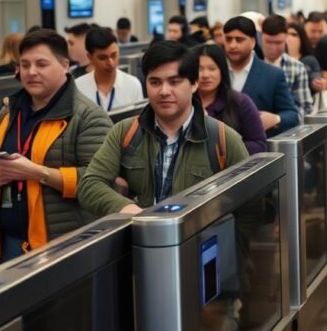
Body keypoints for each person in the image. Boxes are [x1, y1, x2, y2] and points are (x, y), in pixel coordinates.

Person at [0, 29, 112, 263]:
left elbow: (101, 181)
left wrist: (35, 172)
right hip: (6, 240)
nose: (31, 72)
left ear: (64, 65)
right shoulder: (8, 113)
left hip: (61, 244)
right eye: (25, 64)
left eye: (41, 64)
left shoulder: (88, 116)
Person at [78, 41, 249, 216]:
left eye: (174, 82)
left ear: (194, 83)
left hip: (202, 239)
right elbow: (90, 184)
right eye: (155, 82)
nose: (164, 91)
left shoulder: (222, 138)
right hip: (141, 237)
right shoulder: (125, 132)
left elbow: (249, 204)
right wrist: (129, 209)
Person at [222, 16, 298, 135]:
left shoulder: (272, 75)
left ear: (253, 42)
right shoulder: (216, 71)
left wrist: (276, 119)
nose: (233, 45)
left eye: (239, 40)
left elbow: (292, 115)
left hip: (259, 148)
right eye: (228, 39)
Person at [194, 44, 267, 154]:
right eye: (199, 69)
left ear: (222, 71)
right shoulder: (183, 103)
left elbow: (259, 144)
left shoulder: (240, 102)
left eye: (212, 69)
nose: (205, 75)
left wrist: (224, 149)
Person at [73, 27, 145, 111]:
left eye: (114, 55)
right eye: (103, 58)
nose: (111, 63)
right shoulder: (78, 88)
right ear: (90, 57)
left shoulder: (133, 84)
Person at [260, 15, 313, 116]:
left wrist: (281, 120)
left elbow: (305, 108)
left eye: (278, 42)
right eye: (268, 42)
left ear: (286, 39)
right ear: (261, 37)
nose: (273, 48)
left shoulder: (297, 68)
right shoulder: (250, 64)